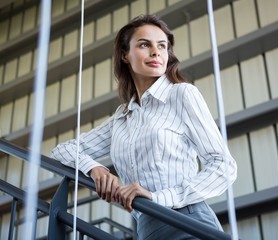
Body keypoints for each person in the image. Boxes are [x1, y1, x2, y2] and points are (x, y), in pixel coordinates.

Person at [51, 14, 237, 239]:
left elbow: (223, 166)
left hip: (187, 219)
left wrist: (158, 197)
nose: (156, 52)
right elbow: (63, 150)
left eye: (162, 46)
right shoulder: (122, 118)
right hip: (146, 229)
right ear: (125, 55)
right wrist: (94, 168)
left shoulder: (181, 94)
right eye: (144, 44)